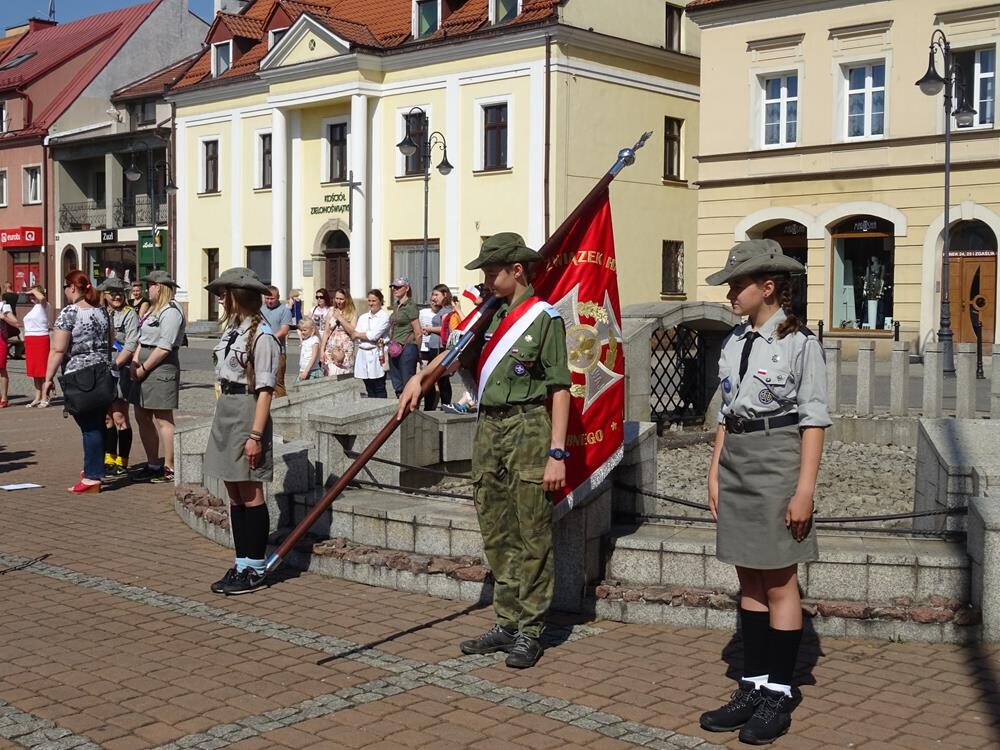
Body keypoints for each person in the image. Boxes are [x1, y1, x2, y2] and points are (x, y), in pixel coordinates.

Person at [397, 233, 571, 669]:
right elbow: (454, 357)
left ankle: (531, 629)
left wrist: (556, 453)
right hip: (488, 427)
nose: (487, 281)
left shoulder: (544, 319)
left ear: (517, 270)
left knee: (531, 531)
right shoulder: (488, 316)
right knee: (495, 526)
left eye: (493, 273)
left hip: (528, 426)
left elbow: (560, 388)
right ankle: (507, 621)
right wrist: (419, 378)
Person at [698, 240, 831, 745]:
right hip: (737, 459)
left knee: (778, 580)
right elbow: (726, 414)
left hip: (778, 460)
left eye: (738, 284)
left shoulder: (800, 344)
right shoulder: (735, 341)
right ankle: (751, 686)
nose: (730, 293)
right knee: (749, 577)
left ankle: (778, 692)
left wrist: (804, 491)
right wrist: (715, 471)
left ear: (768, 287)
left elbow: (813, 421)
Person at [203, 267, 280, 595]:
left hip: (247, 413)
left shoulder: (263, 336)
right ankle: (242, 563)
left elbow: (266, 391)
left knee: (250, 494)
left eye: (225, 293)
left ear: (239, 296)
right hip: (227, 410)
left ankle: (255, 568)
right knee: (234, 493)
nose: (221, 299)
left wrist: (255, 436)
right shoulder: (234, 331)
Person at [42, 271, 113, 493]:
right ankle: (95, 467)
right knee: (98, 423)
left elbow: (58, 349)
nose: (64, 291)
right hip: (102, 373)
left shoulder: (69, 313)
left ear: (72, 287)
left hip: (80, 376)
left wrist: (48, 379)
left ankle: (92, 477)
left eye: (65, 287)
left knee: (89, 426)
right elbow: (110, 341)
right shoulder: (102, 311)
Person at [130, 270, 186, 483]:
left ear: (160, 287)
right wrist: (135, 361)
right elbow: (142, 339)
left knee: (163, 418)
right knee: (142, 415)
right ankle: (153, 463)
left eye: (150, 285)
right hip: (144, 365)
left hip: (161, 367)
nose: (147, 289)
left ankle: (169, 467)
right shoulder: (154, 309)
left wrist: (143, 368)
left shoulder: (171, 310)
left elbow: (164, 347)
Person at [101, 278, 139, 477]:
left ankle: (123, 461)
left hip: (120, 369)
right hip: (103, 370)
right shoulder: (100, 312)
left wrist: (116, 364)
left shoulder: (129, 313)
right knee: (106, 417)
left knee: (119, 417)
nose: (116, 296)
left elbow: (131, 343)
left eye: (120, 293)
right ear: (105, 294)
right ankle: (109, 458)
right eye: (112, 293)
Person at [343, 288, 390, 398]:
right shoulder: (363, 317)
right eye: (369, 301)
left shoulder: (384, 317)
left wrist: (364, 335)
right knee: (368, 386)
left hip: (377, 353)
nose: (371, 303)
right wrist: (365, 335)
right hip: (363, 353)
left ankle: (381, 407)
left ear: (380, 301)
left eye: (374, 301)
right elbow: (355, 335)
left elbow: (374, 335)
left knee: (379, 386)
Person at [420, 284, 459, 411]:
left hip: (440, 348)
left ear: (445, 295)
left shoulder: (447, 311)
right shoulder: (442, 310)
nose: (433, 298)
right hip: (434, 347)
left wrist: (430, 329)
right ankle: (437, 405)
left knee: (439, 378)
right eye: (433, 295)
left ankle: (442, 404)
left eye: (436, 294)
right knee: (438, 378)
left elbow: (447, 329)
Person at [386, 277, 421, 397]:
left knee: (407, 381)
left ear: (406, 288)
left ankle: (409, 404)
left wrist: (418, 351)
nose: (394, 289)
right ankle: (400, 402)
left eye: (398, 287)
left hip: (407, 347)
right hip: (394, 347)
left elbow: (418, 331)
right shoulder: (396, 305)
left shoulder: (410, 306)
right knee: (397, 382)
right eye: (393, 287)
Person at [23, 285, 52, 407]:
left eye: (32, 294)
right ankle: (37, 397)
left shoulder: (45, 305)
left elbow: (42, 298)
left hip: (40, 339)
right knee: (35, 371)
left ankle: (45, 397)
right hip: (30, 339)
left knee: (42, 370)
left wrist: (34, 291)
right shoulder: (35, 307)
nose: (31, 297)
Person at [261, 285, 292, 396]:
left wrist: (269, 338)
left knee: (278, 382)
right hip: (261, 350)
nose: (269, 301)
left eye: (272, 299)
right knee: (261, 381)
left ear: (278, 297)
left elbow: (284, 330)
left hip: (278, 351)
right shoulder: (261, 309)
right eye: (267, 298)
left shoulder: (284, 310)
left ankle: (282, 403)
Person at [321, 288, 357, 378]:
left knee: (345, 376)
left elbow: (352, 331)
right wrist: (322, 350)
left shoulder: (352, 312)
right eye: (337, 298)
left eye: (341, 299)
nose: (338, 301)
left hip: (346, 350)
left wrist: (340, 318)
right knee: (330, 375)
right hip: (331, 350)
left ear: (347, 299)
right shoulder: (331, 311)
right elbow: (326, 332)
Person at [0, 291, 19, 408]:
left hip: (0, 339)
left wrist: (4, 317)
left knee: (1, 368)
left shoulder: (4, 306)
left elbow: (16, 322)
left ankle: (4, 397)